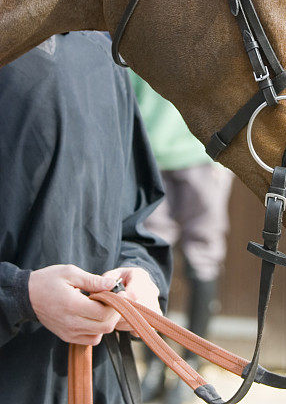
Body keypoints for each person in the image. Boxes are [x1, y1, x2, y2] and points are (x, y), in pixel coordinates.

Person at [0, 31, 172, 404]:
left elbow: (132, 225)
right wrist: (19, 296)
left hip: (100, 383)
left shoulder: (100, 50)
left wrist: (141, 277)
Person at [129, 73, 233, 404]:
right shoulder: (134, 20)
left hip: (202, 154)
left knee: (202, 260)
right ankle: (155, 365)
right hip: (149, 155)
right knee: (150, 258)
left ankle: (192, 366)